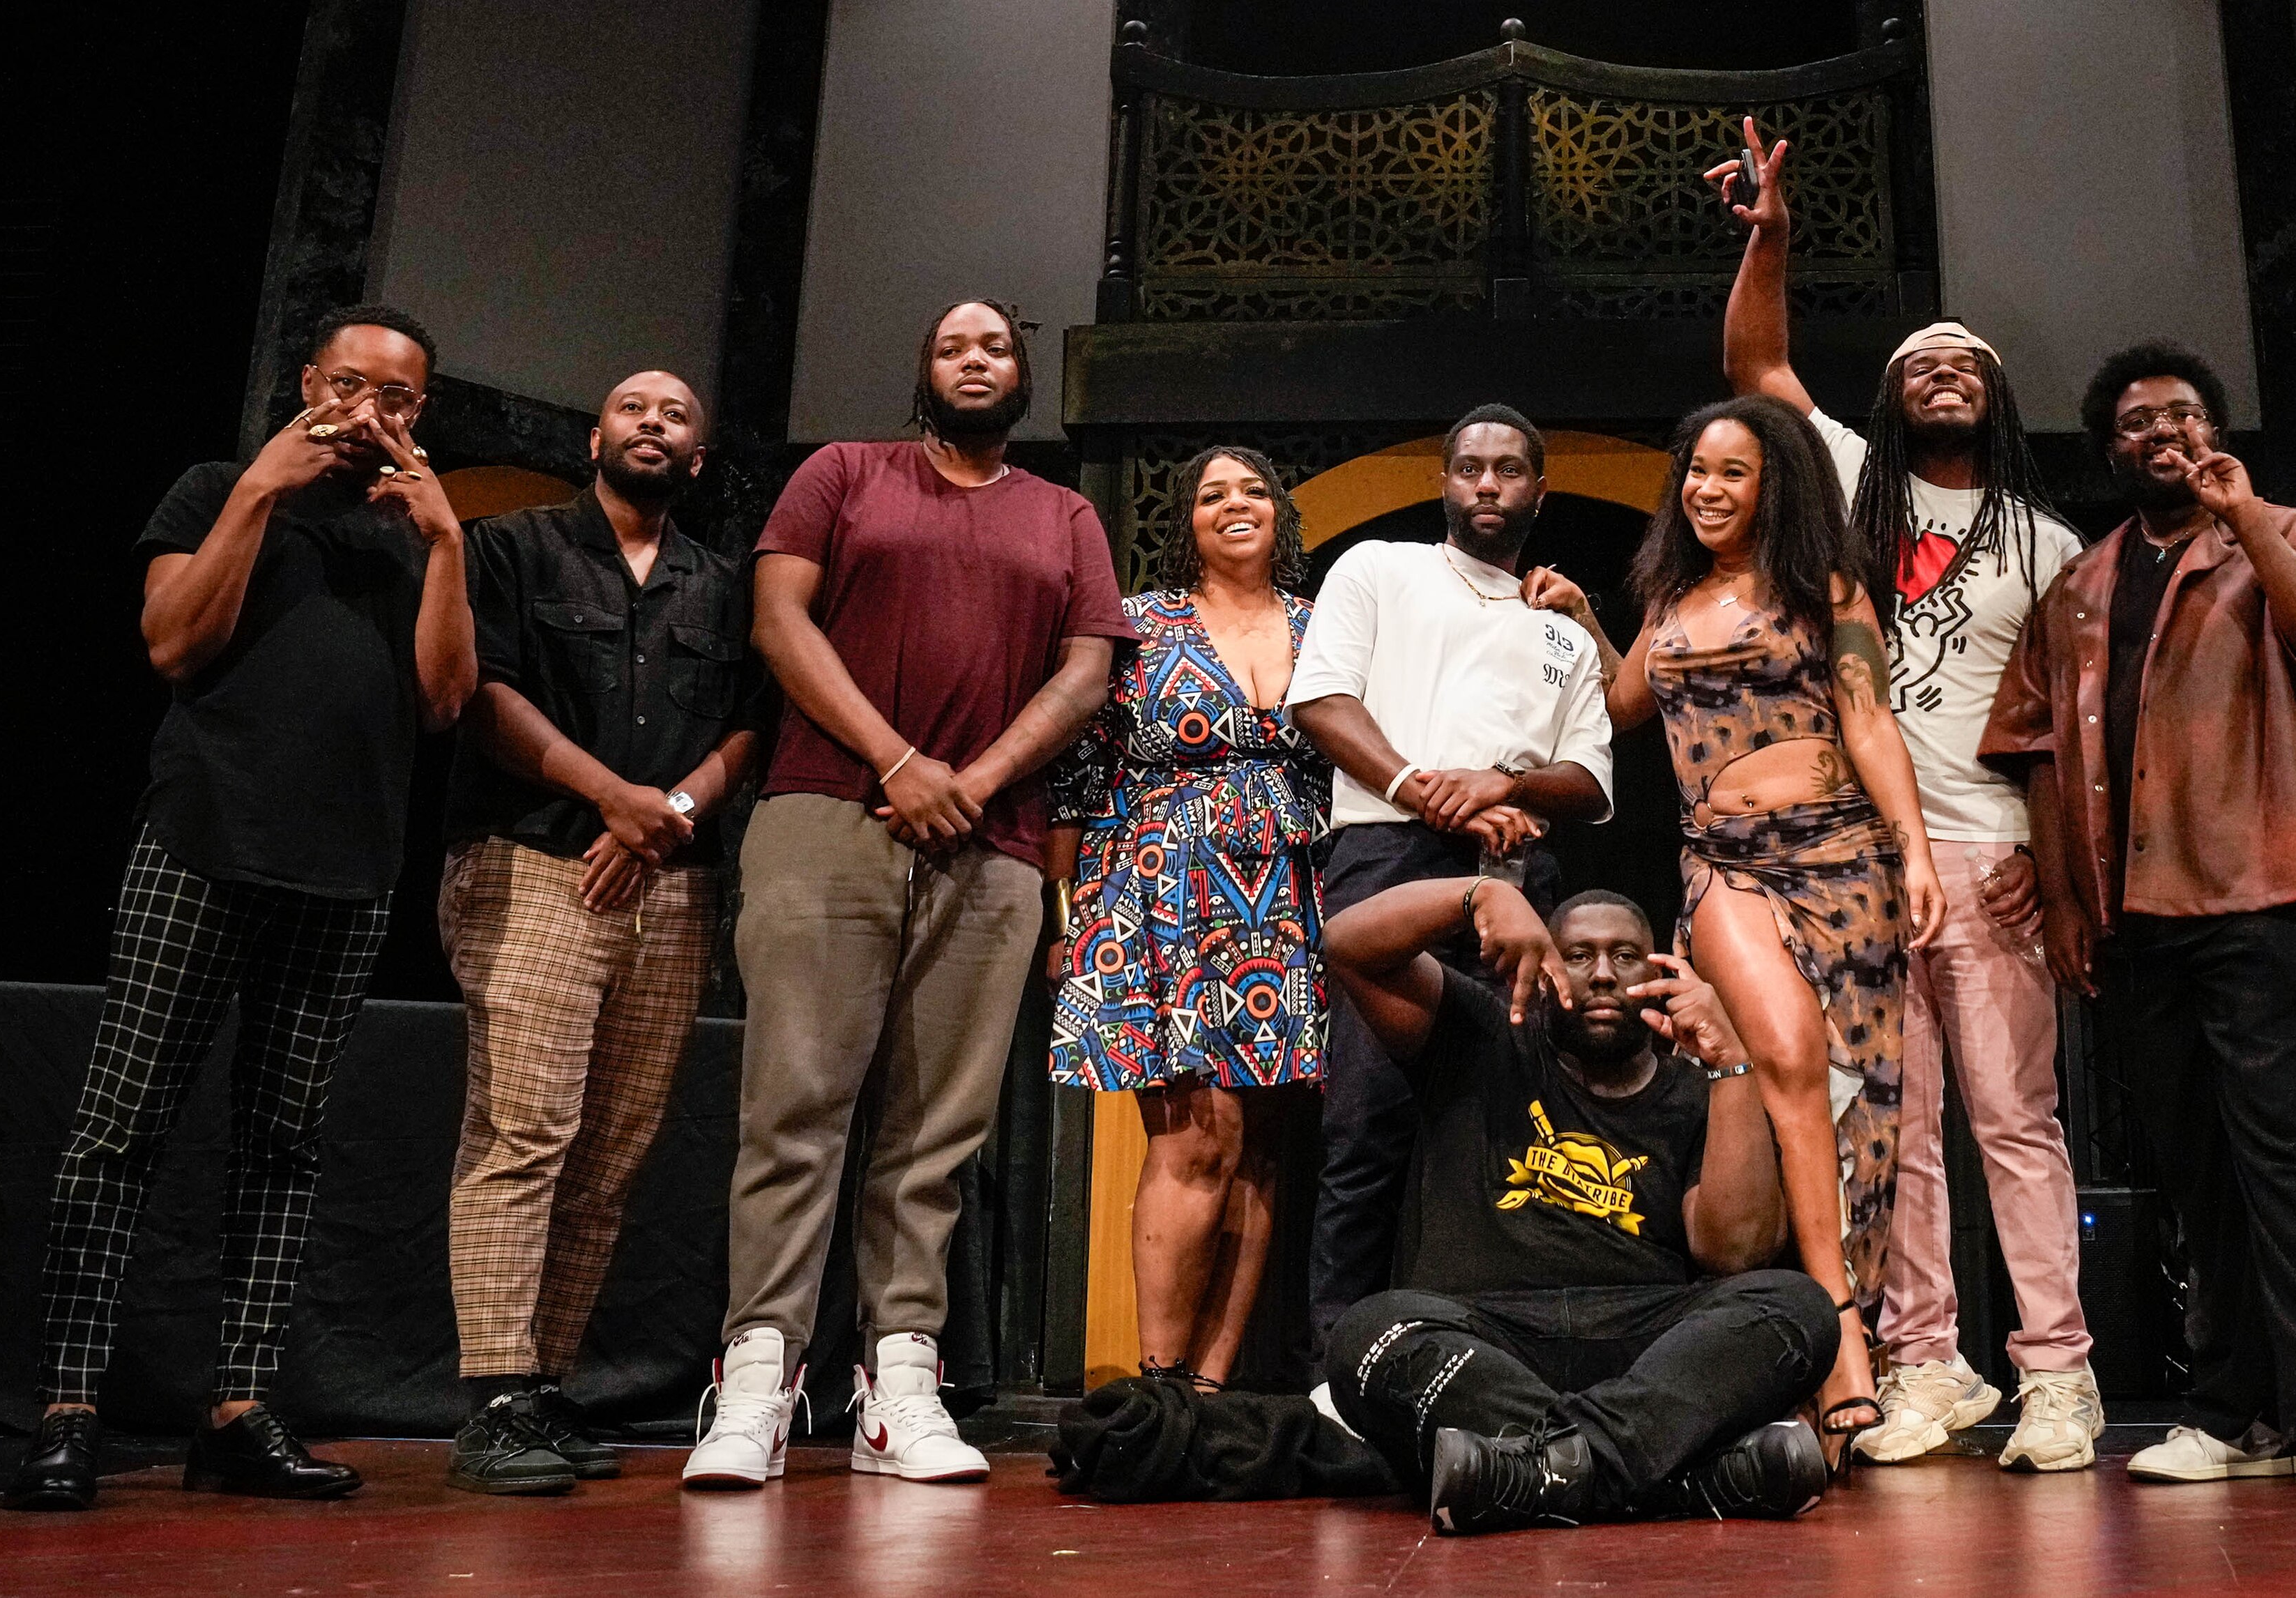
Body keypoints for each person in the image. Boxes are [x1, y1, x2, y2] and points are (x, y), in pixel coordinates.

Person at [7, 305, 476, 1511]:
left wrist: (449, 547)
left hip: (349, 870)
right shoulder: (221, 481)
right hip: (205, 842)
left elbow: (442, 702)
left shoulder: (411, 528)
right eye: (355, 385)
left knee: (283, 1144)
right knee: (120, 1130)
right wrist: (261, 489)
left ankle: (238, 1407)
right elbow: (172, 642)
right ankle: (66, 1411)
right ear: (311, 381)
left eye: (402, 398)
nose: (375, 413)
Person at [684, 300, 1130, 1491]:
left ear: (1022, 376)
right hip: (829, 810)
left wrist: (972, 779)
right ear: (924, 371)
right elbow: (780, 619)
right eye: (952, 344)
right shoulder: (844, 472)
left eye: (995, 346)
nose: (975, 358)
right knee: (796, 1105)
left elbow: (1088, 668)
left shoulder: (1066, 514)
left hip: (994, 845)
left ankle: (900, 1382)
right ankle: (757, 1381)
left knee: (937, 1132)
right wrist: (896, 759)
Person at [1708, 117, 2098, 1471]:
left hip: (1988, 855)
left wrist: (2057, 870)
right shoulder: (1853, 486)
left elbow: (2080, 738)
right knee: (1897, 1130)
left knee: (2014, 1119)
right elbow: (1756, 364)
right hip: (1856, 863)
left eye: (1966, 364)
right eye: (1919, 362)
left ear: (1995, 398)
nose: (1943, 372)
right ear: (1889, 399)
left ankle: (2059, 1373)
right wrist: (1770, 237)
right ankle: (1933, 1361)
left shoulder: (2050, 540)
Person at [1981, 341, 2296, 1499]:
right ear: (2110, 449)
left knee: (2286, 1152)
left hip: (2267, 886)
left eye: (2181, 415)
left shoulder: (2290, 534)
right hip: (2136, 917)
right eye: (2134, 421)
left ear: (2216, 433)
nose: (2160, 433)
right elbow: (2034, 750)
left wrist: (2253, 518)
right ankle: (2229, 1407)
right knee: (2195, 1171)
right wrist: (2073, 904)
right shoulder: (2080, 585)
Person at [1528, 394, 1943, 1463]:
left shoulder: (1825, 588)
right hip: (1724, 867)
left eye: (1732, 473)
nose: (1706, 490)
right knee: (1791, 1064)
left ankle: (1825, 1349)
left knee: (1865, 1112)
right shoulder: (1669, 592)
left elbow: (1868, 717)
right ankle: (1840, 1337)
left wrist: (1916, 846)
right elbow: (1626, 705)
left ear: (1776, 486)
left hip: (1841, 857)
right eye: (1695, 471)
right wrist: (1583, 614)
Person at [441, 370, 769, 1496]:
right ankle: (492, 1397)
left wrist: (667, 812)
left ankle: (546, 1384)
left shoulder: (719, 583)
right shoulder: (518, 546)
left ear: (697, 454)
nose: (655, 424)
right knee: (524, 1129)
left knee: (611, 1151)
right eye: (635, 408)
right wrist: (611, 796)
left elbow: (746, 727)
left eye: (678, 415)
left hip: (672, 882)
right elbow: (481, 691)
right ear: (597, 435)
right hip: (535, 858)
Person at [1320, 876, 1838, 1532]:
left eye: (1625, 956)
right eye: (1578, 954)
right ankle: (1676, 1480)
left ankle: (1541, 1471)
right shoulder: (1482, 1035)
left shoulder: (1691, 1090)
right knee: (1369, 1334)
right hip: (1488, 1343)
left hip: (1644, 1352)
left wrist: (1731, 1061)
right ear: (1543, 962)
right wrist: (1477, 894)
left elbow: (1734, 1249)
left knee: (1799, 1308)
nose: (1601, 974)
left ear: (1660, 969)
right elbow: (1347, 943)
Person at [1285, 404, 1615, 1353]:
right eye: (1469, 466)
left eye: (1509, 469)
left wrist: (1503, 787)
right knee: (1366, 1115)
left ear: (1538, 490)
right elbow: (1321, 699)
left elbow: (1592, 782)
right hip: (1387, 850)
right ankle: (1337, 1365)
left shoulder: (1558, 624)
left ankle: (1489, 1353)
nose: (1486, 483)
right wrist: (1428, 791)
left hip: (1515, 871)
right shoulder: (1383, 568)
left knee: (1504, 1121)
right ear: (1444, 481)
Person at [1045, 445, 1328, 1391]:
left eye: (1253, 489)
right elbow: (1076, 776)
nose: (1234, 504)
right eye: (1213, 494)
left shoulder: (1323, 627)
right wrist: (1067, 912)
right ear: (1189, 522)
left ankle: (1210, 1388)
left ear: (1279, 513)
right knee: (1193, 1134)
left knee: (1260, 1146)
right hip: (1161, 890)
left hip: (1288, 895)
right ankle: (1159, 1381)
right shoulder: (1138, 623)